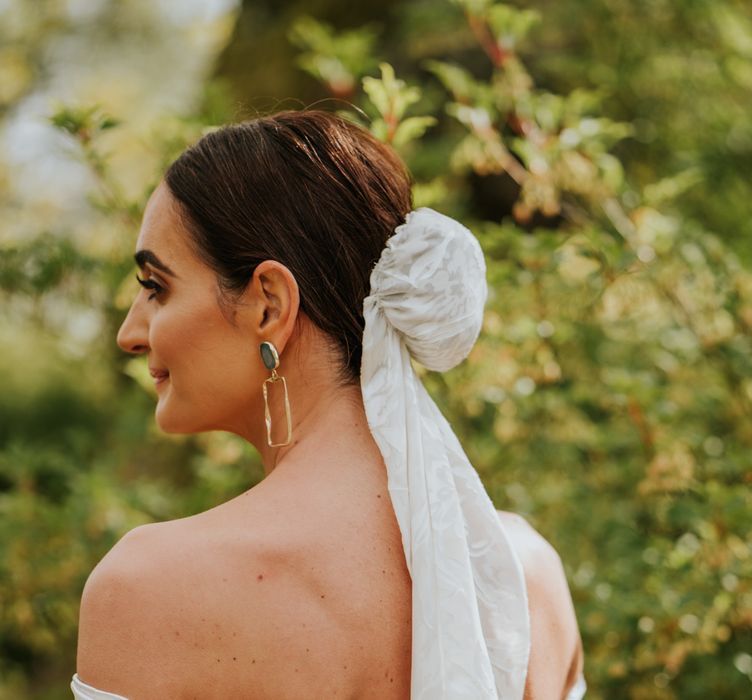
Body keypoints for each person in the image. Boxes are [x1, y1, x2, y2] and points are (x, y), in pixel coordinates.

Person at [71, 110, 586, 699]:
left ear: (268, 305)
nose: (131, 333)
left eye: (156, 288)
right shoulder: (525, 575)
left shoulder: (150, 589)